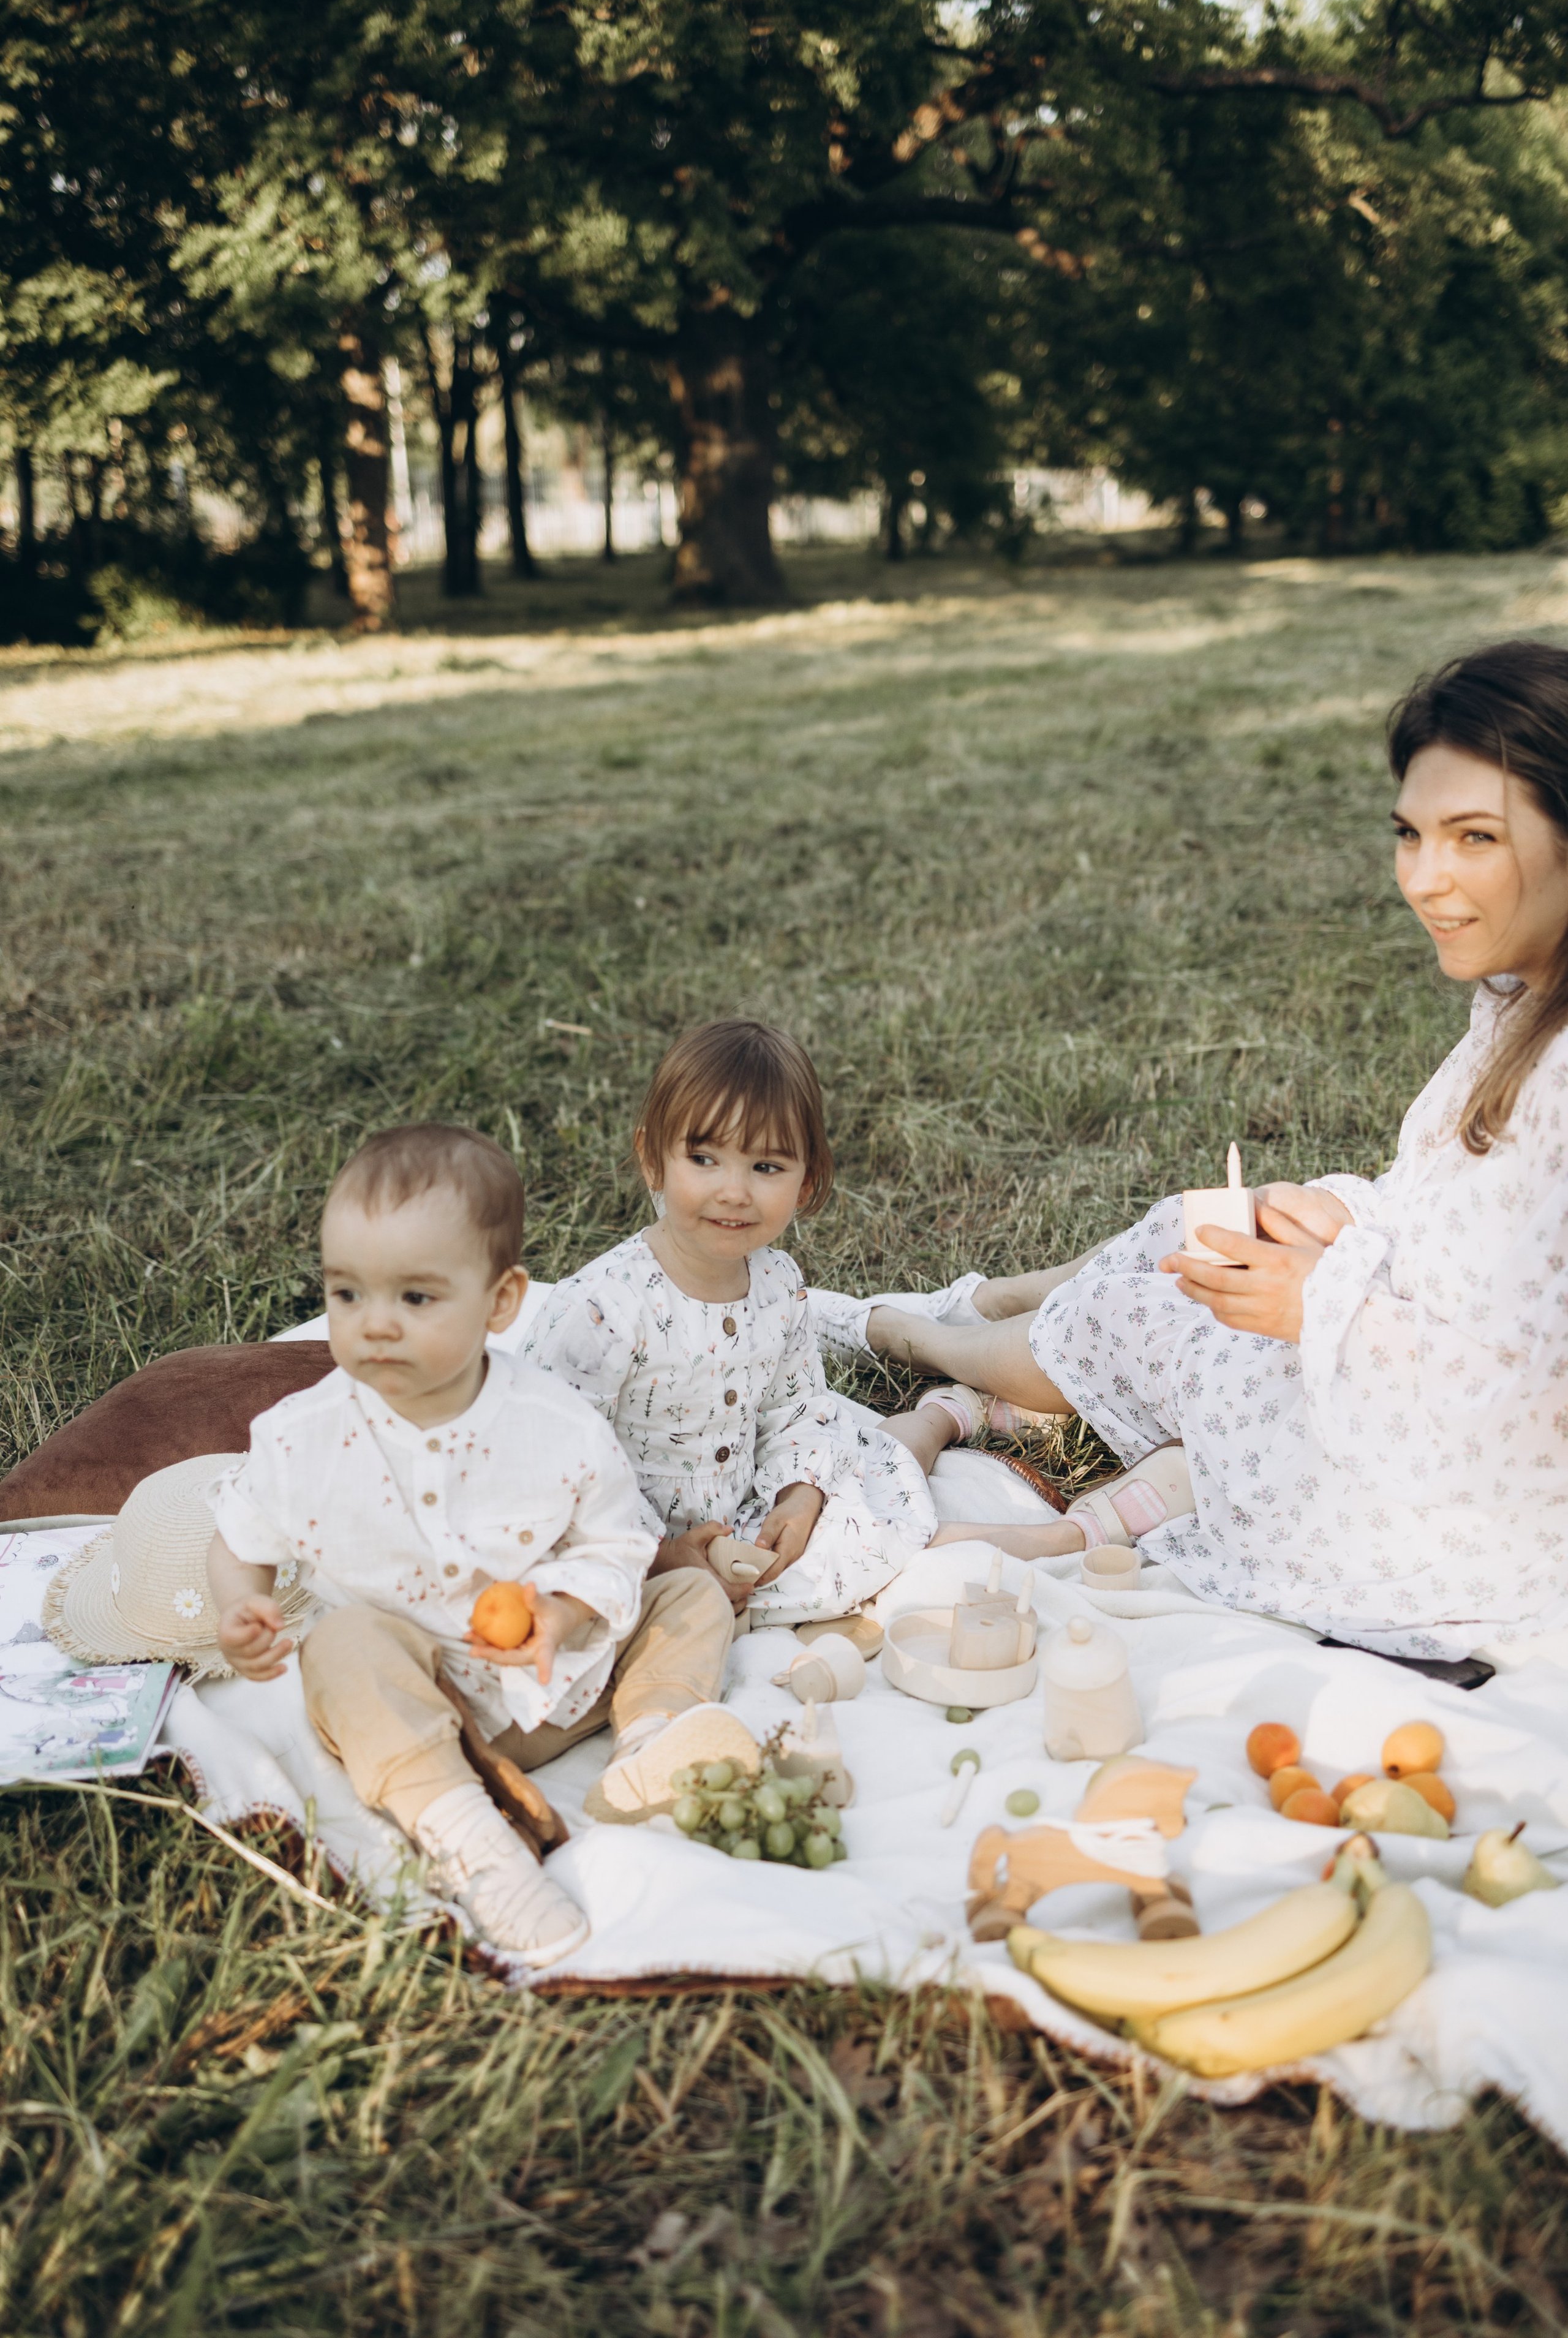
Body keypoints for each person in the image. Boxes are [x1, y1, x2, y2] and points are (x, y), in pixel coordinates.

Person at [813, 641, 1568, 1661]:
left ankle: (911, 1336)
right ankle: (983, 1309)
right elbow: (1470, 1218)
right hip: (1419, 1399)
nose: (1426, 880)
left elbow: (1531, 1402)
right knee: (1204, 1229)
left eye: (1475, 838)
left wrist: (1320, 1304)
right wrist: (1348, 1219)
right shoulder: (1525, 1000)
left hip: (1475, 1531)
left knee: (1172, 1301)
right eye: (1410, 834)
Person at [205, 1123, 754, 1969]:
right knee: (341, 1644)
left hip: (568, 1678)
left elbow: (619, 1542)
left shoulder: (557, 1426)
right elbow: (240, 1535)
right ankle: (466, 1832)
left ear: (501, 1303)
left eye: (416, 1299)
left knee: (690, 1594)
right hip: (427, 1702)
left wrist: (565, 1611)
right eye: (347, 1294)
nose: (375, 1325)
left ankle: (652, 1746)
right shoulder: (304, 1438)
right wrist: (239, 1603)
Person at [523, 1021, 1077, 1629]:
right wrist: (657, 1556)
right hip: (620, 1538)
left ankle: (985, 1479)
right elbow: (558, 1460)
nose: (733, 1191)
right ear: (652, 1160)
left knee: (854, 1499)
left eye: (765, 1167)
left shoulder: (778, 1283)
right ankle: (943, 1443)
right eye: (704, 1159)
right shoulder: (604, 1309)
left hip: (743, 1516)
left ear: (805, 1182)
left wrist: (798, 1493)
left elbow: (795, 1407)